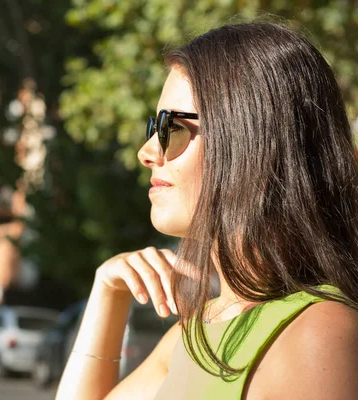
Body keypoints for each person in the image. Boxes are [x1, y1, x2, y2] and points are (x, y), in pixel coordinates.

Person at [56, 21, 358, 400]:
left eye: (172, 127)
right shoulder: (194, 333)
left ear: (251, 143)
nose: (147, 151)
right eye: (154, 126)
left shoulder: (316, 332)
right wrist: (108, 293)